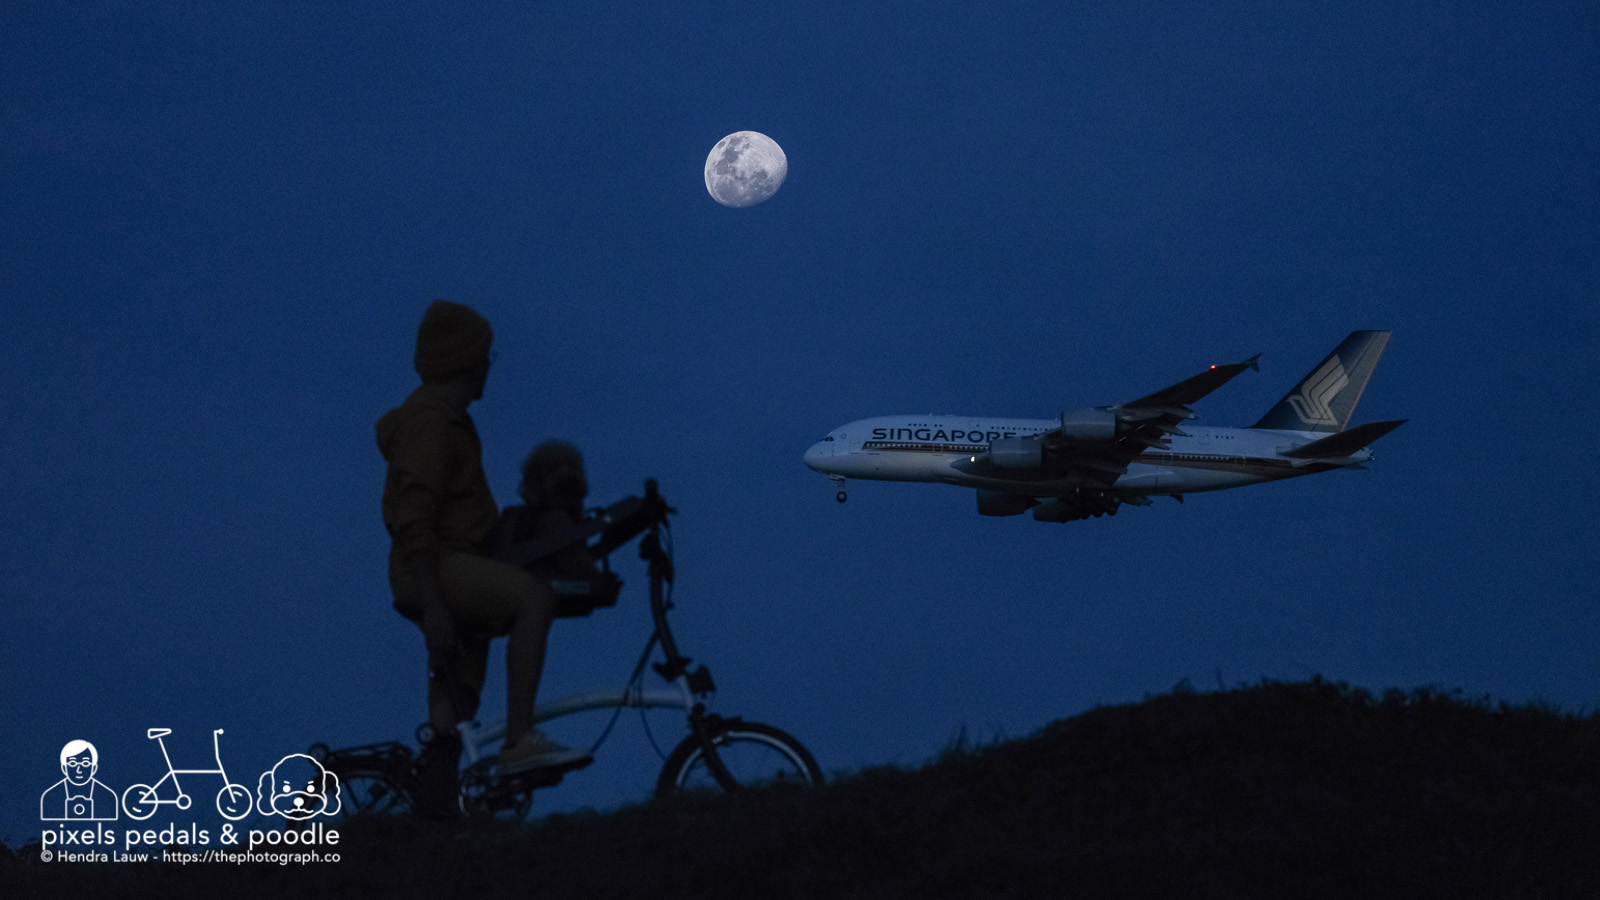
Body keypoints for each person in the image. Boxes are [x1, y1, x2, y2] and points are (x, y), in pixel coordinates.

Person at [376, 300, 588, 816]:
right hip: (434, 568)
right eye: (484, 354)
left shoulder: (447, 421)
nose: (490, 364)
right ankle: (520, 739)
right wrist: (435, 607)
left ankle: (434, 808)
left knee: (458, 698)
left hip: (447, 567)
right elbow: (415, 518)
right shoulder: (431, 424)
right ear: (464, 360)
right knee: (532, 600)